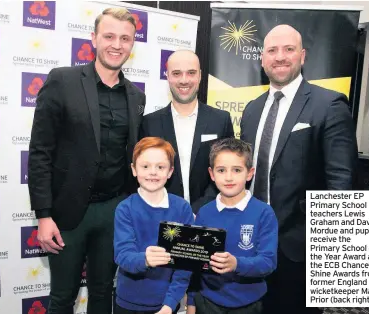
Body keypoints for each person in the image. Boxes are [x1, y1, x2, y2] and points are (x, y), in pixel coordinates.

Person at [28, 8, 146, 314]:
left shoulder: (136, 97)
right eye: (109, 36)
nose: (116, 45)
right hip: (67, 214)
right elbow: (40, 151)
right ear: (94, 38)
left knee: (103, 292)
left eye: (125, 38)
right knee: (62, 297)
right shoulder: (62, 81)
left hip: (114, 211)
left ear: (132, 44)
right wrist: (43, 215)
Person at [240, 24, 358, 314]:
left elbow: (342, 181)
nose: (280, 57)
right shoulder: (252, 110)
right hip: (250, 241)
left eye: (288, 49)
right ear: (262, 59)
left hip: (299, 248)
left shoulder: (329, 104)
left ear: (302, 56)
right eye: (272, 50)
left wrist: (329, 258)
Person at [186, 138, 278, 314]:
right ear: (212, 174)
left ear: (250, 173)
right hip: (208, 302)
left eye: (237, 170)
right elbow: (195, 263)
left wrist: (236, 263)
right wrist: (191, 302)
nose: (228, 177)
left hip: (249, 304)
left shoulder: (264, 213)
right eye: (221, 170)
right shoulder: (204, 213)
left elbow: (268, 262)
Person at [140, 50, 234, 214]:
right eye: (177, 73)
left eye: (191, 73)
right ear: (167, 76)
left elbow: (227, 169)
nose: (184, 80)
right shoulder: (149, 123)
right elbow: (145, 173)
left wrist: (201, 210)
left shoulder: (221, 120)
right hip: (162, 215)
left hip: (209, 215)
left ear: (199, 76)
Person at [113, 137, 195, 314]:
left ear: (170, 171)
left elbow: (186, 265)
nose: (153, 172)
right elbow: (122, 255)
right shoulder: (125, 208)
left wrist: (169, 304)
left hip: (165, 304)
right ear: (134, 170)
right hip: (128, 303)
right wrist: (145, 259)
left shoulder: (182, 209)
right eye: (145, 166)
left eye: (160, 167)